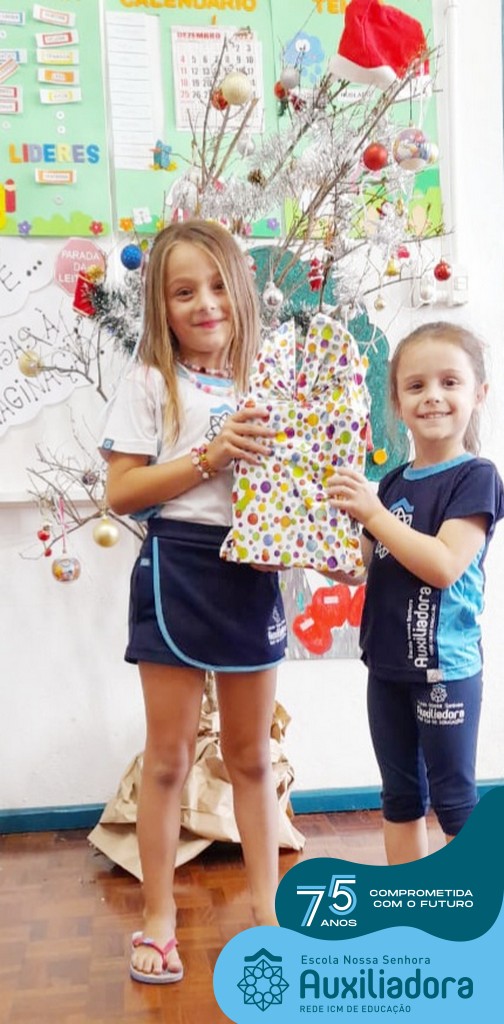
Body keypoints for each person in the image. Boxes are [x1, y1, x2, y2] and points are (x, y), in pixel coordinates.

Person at [98, 219, 287, 984]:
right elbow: (121, 492)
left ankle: (269, 917)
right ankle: (159, 919)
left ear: (241, 292)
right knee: (168, 761)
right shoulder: (150, 383)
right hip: (175, 569)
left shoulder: (269, 383)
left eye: (216, 286)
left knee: (252, 758)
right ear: (162, 306)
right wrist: (209, 455)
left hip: (253, 571)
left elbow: (297, 488)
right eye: (183, 292)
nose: (205, 303)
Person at [326, 321, 504, 865]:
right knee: (400, 799)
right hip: (386, 668)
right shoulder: (393, 483)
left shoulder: (476, 477)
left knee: (455, 803)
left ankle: (477, 908)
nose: (432, 397)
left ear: (478, 393)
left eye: (450, 382)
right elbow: (361, 567)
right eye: (416, 385)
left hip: (444, 670)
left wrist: (374, 514)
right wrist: (307, 544)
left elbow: (444, 565)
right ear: (397, 404)